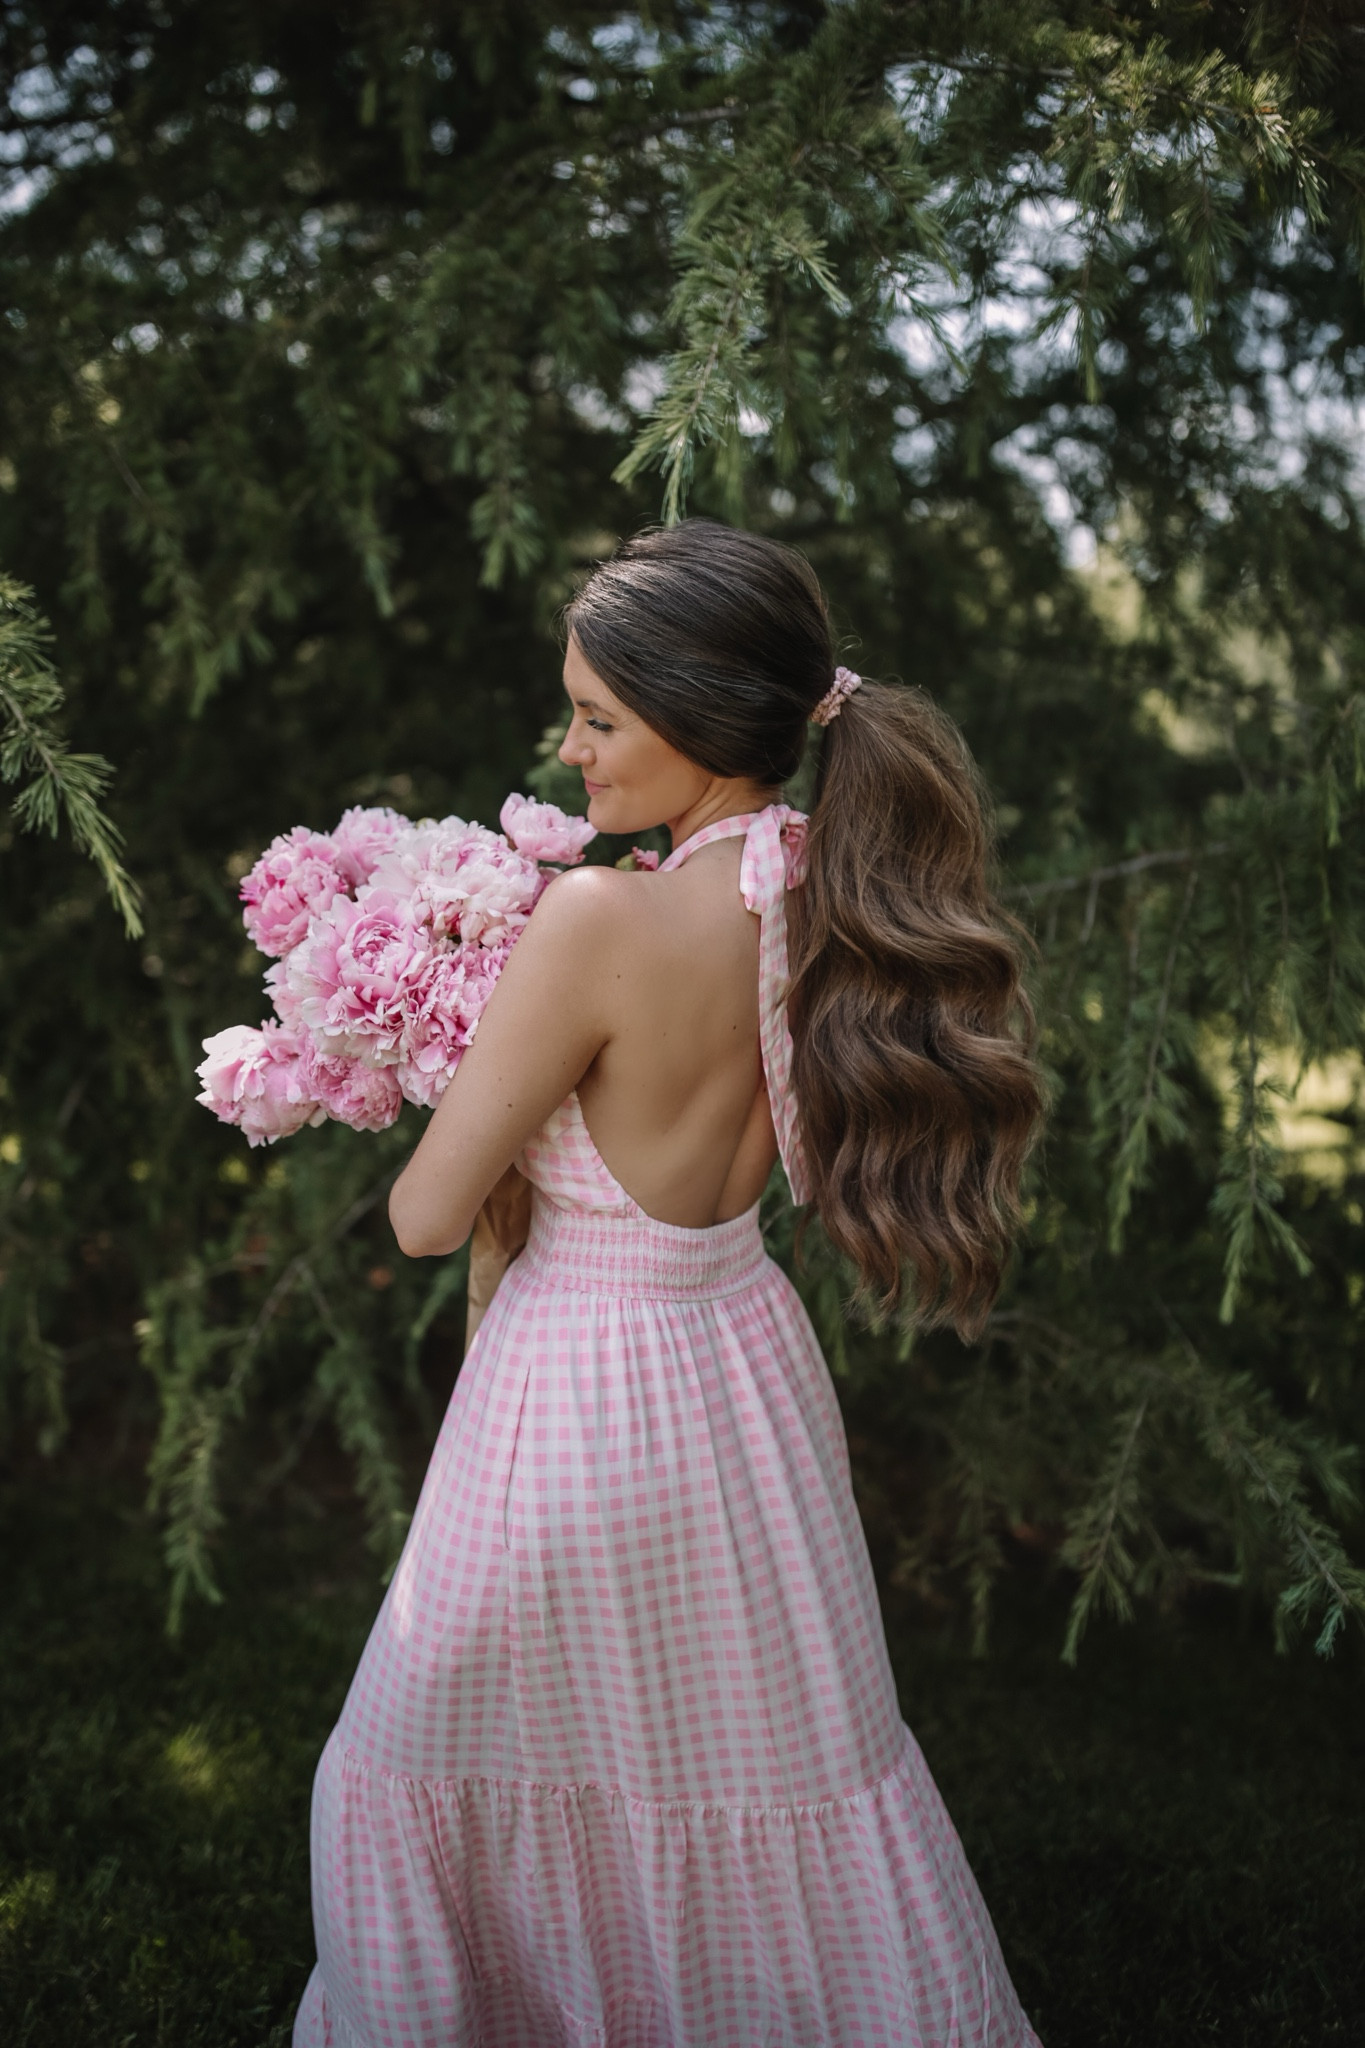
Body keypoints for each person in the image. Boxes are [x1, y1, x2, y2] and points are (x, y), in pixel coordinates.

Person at [294, 519, 1045, 2048]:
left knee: (432, 1738)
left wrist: (424, 1054)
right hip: (736, 1362)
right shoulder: (827, 889)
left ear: (704, 723)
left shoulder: (595, 919)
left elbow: (429, 1216)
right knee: (757, 1759)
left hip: (574, 1382)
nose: (571, 752)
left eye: (598, 719)